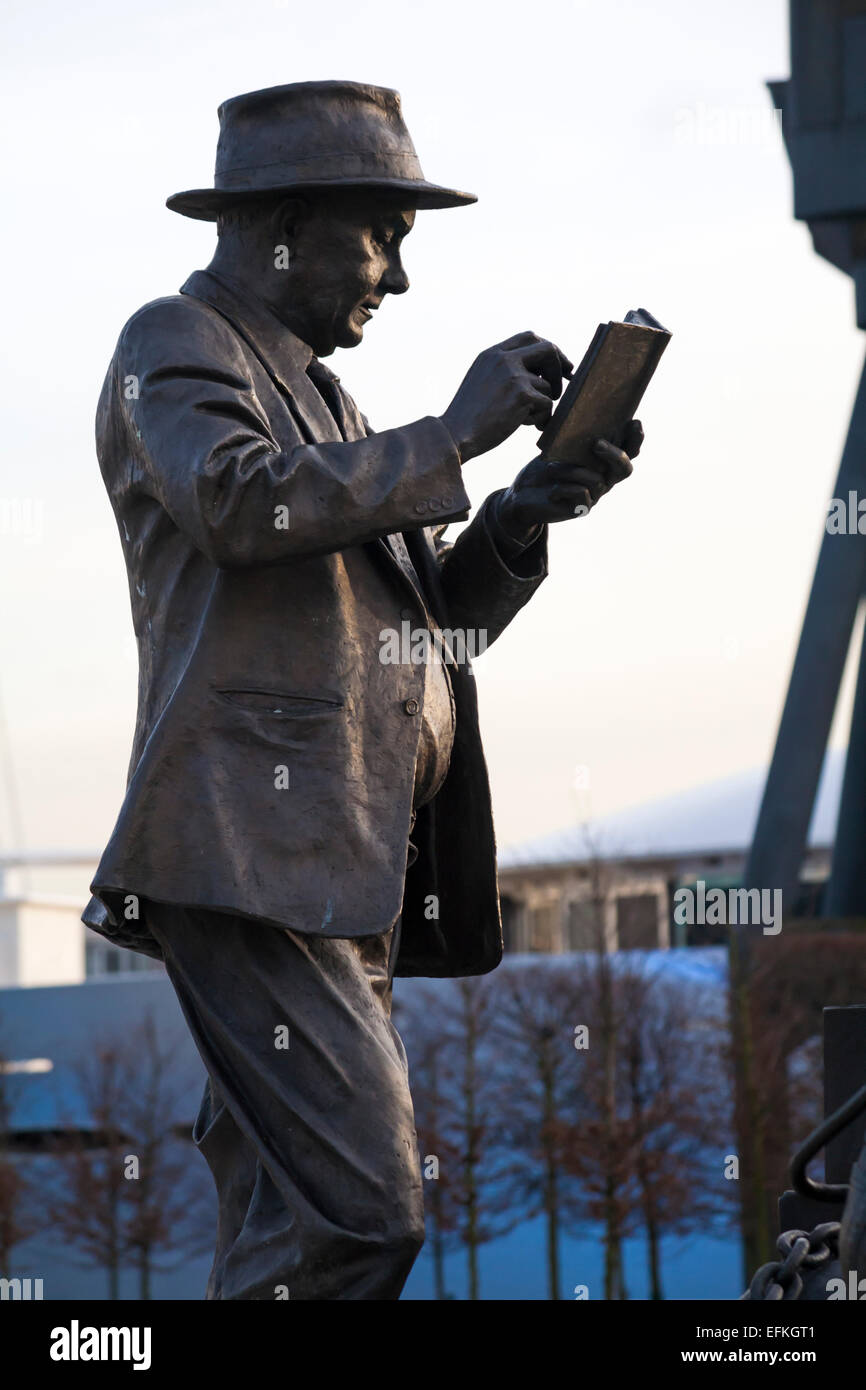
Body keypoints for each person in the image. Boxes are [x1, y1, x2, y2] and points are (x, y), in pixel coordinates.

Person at [83, 80, 642, 1299]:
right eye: (380, 236)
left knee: (289, 1223)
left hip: (343, 862)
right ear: (284, 221)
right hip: (250, 849)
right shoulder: (170, 345)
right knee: (360, 1216)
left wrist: (514, 516)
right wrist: (452, 433)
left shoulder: (331, 402)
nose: (394, 277)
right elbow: (241, 501)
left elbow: (413, 634)